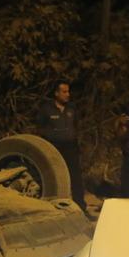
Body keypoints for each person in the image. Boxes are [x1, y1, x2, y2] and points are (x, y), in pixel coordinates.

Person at [36, 81, 86, 210]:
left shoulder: (72, 108)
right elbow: (40, 128)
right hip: (54, 148)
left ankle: (81, 206)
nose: (67, 94)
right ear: (56, 93)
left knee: (75, 177)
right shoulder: (46, 109)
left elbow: (76, 125)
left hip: (71, 147)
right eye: (64, 92)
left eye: (68, 91)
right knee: (54, 177)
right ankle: (53, 207)